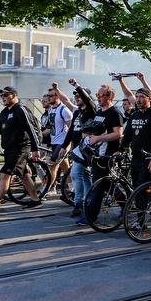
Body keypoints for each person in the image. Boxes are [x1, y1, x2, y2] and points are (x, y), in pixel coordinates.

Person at [0, 87, 42, 215]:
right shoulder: (5, 112)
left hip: (21, 147)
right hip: (10, 148)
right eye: (1, 96)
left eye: (6, 95)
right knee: (23, 174)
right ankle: (35, 200)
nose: (3, 97)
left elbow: (31, 128)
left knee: (5, 175)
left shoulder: (20, 110)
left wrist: (35, 148)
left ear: (14, 95)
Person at [81, 84, 124, 226]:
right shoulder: (100, 113)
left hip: (107, 155)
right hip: (97, 152)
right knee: (106, 184)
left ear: (109, 97)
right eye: (97, 95)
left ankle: (91, 216)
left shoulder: (114, 113)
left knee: (98, 185)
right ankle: (127, 204)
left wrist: (98, 138)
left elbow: (118, 134)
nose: (98, 98)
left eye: (101, 95)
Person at [57, 79, 97, 219]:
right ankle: (90, 201)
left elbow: (88, 100)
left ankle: (79, 203)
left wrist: (77, 86)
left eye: (79, 96)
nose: (77, 97)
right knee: (85, 177)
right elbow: (71, 131)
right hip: (77, 149)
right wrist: (64, 146)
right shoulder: (77, 113)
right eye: (76, 96)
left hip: (88, 148)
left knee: (75, 173)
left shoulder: (92, 110)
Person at [118, 87, 151, 188]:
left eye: (142, 97)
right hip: (136, 157)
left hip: (149, 158)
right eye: (137, 97)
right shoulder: (134, 115)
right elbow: (128, 135)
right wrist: (120, 150)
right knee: (135, 187)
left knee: (143, 189)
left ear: (149, 99)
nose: (138, 100)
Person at [42, 85, 73, 196]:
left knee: (52, 166)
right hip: (54, 142)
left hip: (62, 143)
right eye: (48, 95)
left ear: (57, 96)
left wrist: (69, 145)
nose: (48, 98)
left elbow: (72, 128)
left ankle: (45, 190)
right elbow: (52, 129)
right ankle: (72, 189)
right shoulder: (51, 110)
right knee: (65, 167)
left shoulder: (64, 110)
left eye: (51, 96)